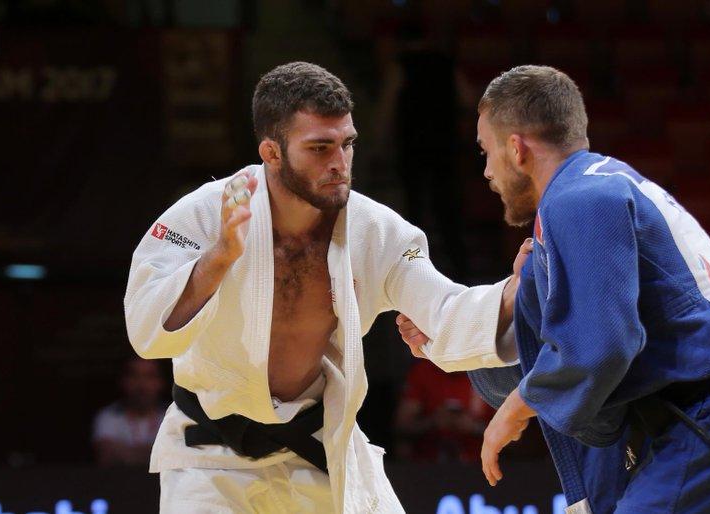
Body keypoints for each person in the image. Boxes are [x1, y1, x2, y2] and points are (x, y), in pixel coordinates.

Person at [398, 65, 710, 513]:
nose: (486, 171)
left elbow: (602, 345)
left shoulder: (579, 201)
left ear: (516, 149)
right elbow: (545, 348)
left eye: (486, 152)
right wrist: (446, 343)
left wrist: (515, 409)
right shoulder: (603, 186)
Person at [124, 61, 521, 513]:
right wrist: (219, 259)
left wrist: (514, 294)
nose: (339, 163)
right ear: (272, 153)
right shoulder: (204, 215)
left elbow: (444, 309)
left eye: (346, 144)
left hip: (320, 448)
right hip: (211, 458)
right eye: (319, 148)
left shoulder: (375, 231)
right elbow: (146, 330)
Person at [394, 359, 494, 463]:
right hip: (427, 464)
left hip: (479, 464)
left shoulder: (488, 372)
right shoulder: (424, 370)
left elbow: (506, 436)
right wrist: (433, 422)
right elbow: (401, 428)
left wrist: (474, 427)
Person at [92, 357, 168, 467]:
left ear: (161, 382)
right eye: (134, 376)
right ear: (123, 381)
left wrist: (124, 450)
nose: (142, 385)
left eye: (149, 376)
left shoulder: (173, 417)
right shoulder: (108, 416)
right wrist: (158, 452)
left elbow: (181, 457)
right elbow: (106, 456)